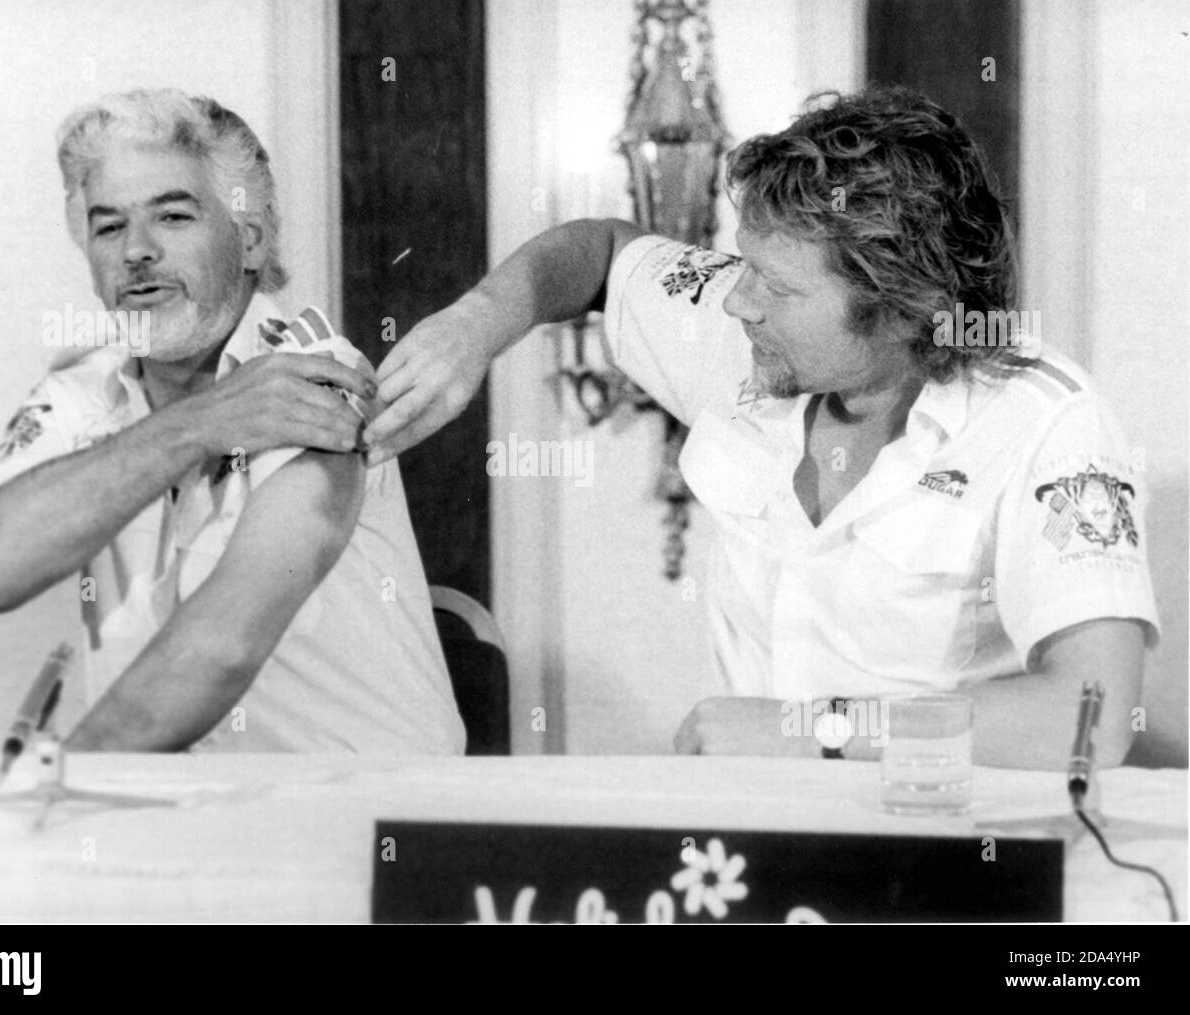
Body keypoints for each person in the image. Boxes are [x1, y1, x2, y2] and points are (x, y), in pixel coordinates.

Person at [363, 87, 1158, 768]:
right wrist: (478, 325)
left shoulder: (1048, 421)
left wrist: (816, 731)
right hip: (744, 848)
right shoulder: (741, 334)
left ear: (902, 307)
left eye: (776, 286)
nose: (738, 300)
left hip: (941, 861)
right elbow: (603, 254)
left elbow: (1092, 711)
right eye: (745, 265)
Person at [0, 89, 465, 755]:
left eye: (172, 216)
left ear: (249, 238)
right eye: (109, 227)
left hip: (362, 821)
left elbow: (221, 647)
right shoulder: (83, 388)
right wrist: (202, 423)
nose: (137, 251)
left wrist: (52, 803)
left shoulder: (312, 371)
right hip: (174, 815)